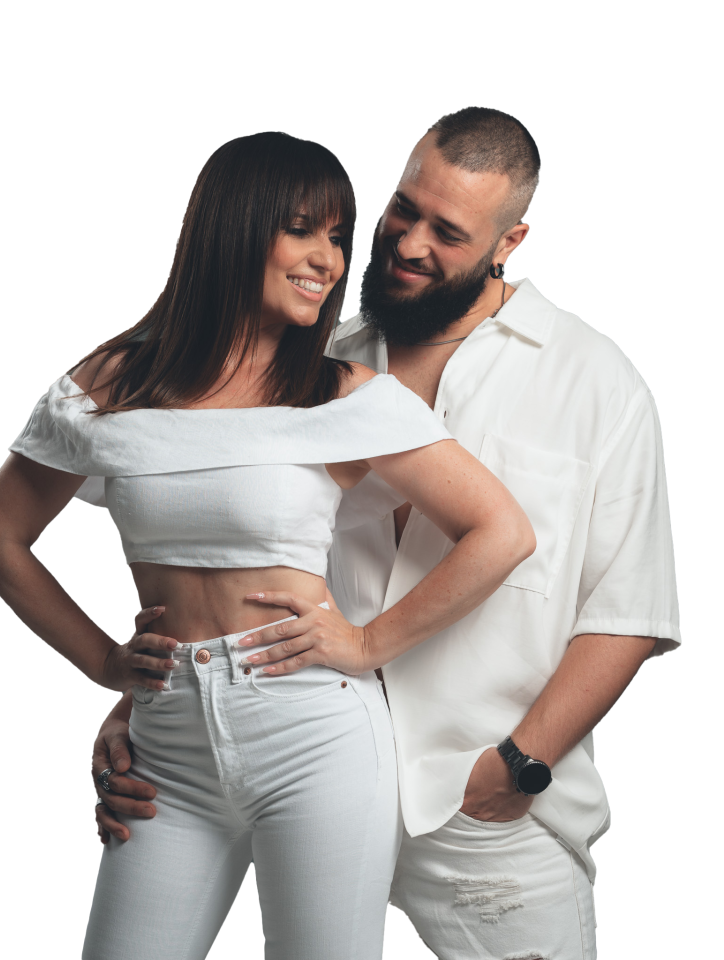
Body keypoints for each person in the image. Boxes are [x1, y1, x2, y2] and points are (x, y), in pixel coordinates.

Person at [89, 108, 680, 959]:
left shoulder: (596, 382)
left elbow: (627, 613)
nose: (408, 242)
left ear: (508, 242)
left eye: (448, 232)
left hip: (481, 810)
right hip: (299, 773)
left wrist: (518, 767)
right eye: (404, 207)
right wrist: (147, 706)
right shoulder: (310, 357)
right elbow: (237, 555)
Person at [0, 130, 534, 960]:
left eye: (338, 236)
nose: (328, 260)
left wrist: (368, 643)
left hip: (314, 736)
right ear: (233, 226)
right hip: (166, 744)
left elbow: (502, 532)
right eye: (302, 230)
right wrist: (102, 663)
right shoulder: (111, 382)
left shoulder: (343, 396)